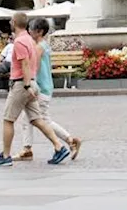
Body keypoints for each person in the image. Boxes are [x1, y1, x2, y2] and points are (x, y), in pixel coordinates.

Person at [0, 12, 71, 167]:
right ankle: (59, 147)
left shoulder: (20, 42)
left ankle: (5, 156)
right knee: (37, 119)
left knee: (8, 120)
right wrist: (31, 83)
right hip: (31, 84)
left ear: (13, 22)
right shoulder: (30, 41)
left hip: (21, 84)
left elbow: (25, 63)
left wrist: (26, 84)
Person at [18, 18, 81, 162]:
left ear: (39, 32)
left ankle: (70, 141)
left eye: (32, 30)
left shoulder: (39, 47)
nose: (29, 32)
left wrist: (30, 83)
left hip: (41, 87)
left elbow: (35, 67)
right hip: (45, 86)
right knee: (28, 118)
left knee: (42, 119)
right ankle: (27, 149)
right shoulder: (43, 45)